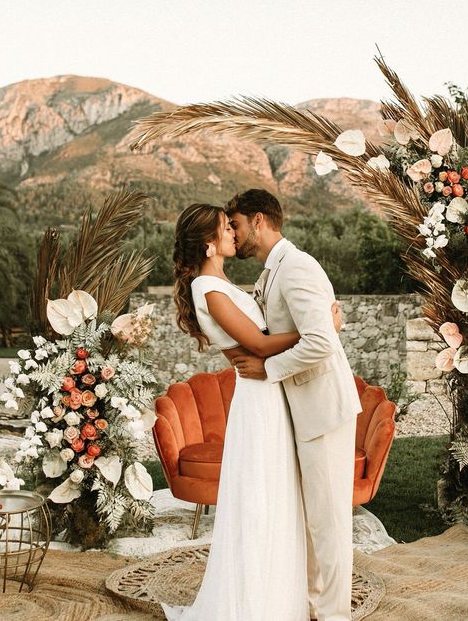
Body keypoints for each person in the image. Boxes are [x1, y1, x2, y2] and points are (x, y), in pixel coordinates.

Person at [165, 203, 342, 621]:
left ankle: (278, 595)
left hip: (269, 392)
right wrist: (320, 330)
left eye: (233, 225)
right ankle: (251, 604)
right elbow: (259, 346)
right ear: (209, 244)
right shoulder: (206, 287)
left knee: (277, 496)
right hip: (258, 398)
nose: (233, 233)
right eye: (226, 228)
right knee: (260, 500)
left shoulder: (223, 282)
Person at [228, 189, 361, 621]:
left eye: (236, 224)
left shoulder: (297, 266)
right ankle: (309, 605)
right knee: (308, 521)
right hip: (298, 410)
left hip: (322, 408)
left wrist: (267, 369)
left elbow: (321, 341)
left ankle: (334, 614)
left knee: (329, 522)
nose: (233, 233)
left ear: (260, 220)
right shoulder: (273, 270)